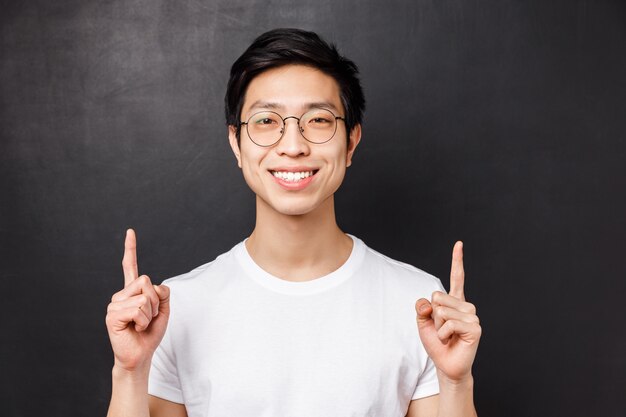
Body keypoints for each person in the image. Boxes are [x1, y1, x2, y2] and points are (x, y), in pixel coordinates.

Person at [105, 28, 481, 417]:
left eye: (317, 120)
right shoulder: (175, 309)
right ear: (236, 143)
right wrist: (129, 372)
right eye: (266, 120)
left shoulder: (417, 303)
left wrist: (456, 382)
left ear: (351, 142)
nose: (293, 145)